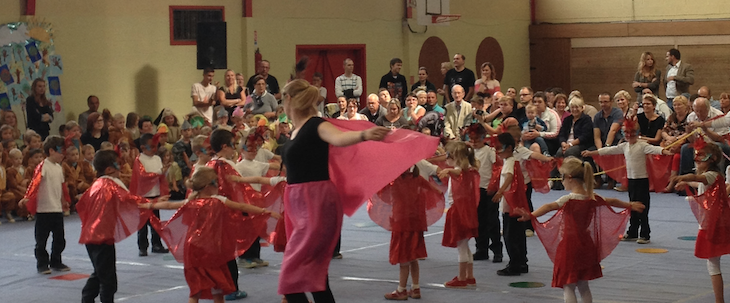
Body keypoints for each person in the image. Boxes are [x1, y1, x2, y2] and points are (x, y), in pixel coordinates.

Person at [279, 79, 437, 303]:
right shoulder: (295, 132)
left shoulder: (316, 125)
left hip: (316, 202)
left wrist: (363, 135)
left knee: (292, 277)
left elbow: (339, 138)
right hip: (296, 203)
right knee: (314, 276)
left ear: (289, 99)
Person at [515, 157, 645, 303]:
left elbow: (549, 207)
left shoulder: (569, 199)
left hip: (570, 246)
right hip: (587, 244)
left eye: (562, 177)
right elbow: (612, 201)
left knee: (568, 286)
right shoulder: (592, 197)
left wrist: (531, 215)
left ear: (569, 178)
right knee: (583, 285)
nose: (561, 180)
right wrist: (629, 205)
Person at [142, 167, 281, 303]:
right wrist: (264, 211)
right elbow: (242, 207)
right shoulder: (218, 200)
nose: (219, 185)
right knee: (218, 288)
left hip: (193, 249)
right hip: (211, 250)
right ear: (209, 186)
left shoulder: (191, 201)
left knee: (195, 290)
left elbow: (170, 206)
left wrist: (150, 205)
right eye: (216, 182)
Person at [78, 150, 160, 303]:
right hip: (102, 237)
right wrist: (153, 203)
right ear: (109, 169)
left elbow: (82, 204)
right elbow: (130, 199)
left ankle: (87, 299)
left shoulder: (96, 184)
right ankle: (90, 299)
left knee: (100, 272)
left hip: (91, 235)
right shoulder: (111, 183)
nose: (121, 167)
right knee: (108, 280)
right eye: (118, 164)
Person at [582, 117, 672, 244]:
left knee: (643, 208)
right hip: (632, 181)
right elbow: (609, 150)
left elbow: (654, 149)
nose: (629, 136)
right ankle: (633, 231)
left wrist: (664, 151)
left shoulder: (642, 145)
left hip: (642, 181)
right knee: (632, 206)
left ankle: (645, 233)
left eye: (631, 133)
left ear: (637, 133)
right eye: (626, 133)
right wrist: (593, 153)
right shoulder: (624, 146)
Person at [673, 142, 730, 303]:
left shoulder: (713, 175)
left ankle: (720, 300)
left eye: (701, 156)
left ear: (712, 159)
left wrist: (684, 177)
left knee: (712, 263)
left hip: (713, 224)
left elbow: (700, 178)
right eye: (695, 156)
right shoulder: (712, 176)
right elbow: (699, 182)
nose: (696, 159)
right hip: (711, 222)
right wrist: (686, 182)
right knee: (712, 263)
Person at [19, 135, 71, 274]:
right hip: (43, 210)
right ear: (52, 151)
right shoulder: (43, 166)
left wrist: (64, 201)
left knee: (59, 238)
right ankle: (42, 263)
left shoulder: (59, 168)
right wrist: (27, 197)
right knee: (41, 240)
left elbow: (61, 186)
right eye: (61, 151)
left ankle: (56, 260)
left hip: (56, 209)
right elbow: (35, 182)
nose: (63, 154)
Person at [439, 141, 480, 288]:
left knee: (461, 245)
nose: (446, 158)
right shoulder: (469, 169)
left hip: (459, 210)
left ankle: (462, 278)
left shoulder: (461, 170)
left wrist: (448, 171)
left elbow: (458, 171)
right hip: (465, 209)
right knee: (465, 245)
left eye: (448, 155)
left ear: (455, 156)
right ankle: (469, 276)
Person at [492, 132, 529, 276]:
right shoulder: (513, 161)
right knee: (518, 234)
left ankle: (514, 264)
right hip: (514, 204)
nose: (497, 151)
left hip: (510, 205)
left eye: (499, 148)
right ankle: (521, 262)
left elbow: (509, 177)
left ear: (507, 148)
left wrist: (500, 192)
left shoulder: (509, 162)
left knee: (510, 235)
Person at [131, 133, 169, 257]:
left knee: (155, 222)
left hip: (155, 194)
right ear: (142, 148)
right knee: (142, 223)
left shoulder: (157, 159)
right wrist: (159, 172)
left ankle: (156, 244)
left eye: (155, 146)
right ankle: (142, 247)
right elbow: (142, 176)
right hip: (143, 195)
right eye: (151, 147)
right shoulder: (139, 159)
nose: (154, 149)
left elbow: (160, 177)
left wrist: (163, 174)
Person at [467, 124, 501, 263]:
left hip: (488, 189)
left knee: (492, 221)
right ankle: (482, 249)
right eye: (471, 139)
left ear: (483, 138)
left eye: (476, 139)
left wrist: (493, 185)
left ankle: (497, 251)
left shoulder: (489, 151)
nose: (474, 142)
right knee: (478, 221)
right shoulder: (469, 152)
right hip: (474, 190)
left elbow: (497, 167)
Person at [662, 96, 691, 193]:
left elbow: (690, 133)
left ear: (685, 105)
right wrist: (668, 138)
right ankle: (658, 183)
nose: (676, 107)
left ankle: (672, 183)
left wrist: (676, 139)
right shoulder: (672, 117)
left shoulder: (690, 117)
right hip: (669, 142)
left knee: (676, 157)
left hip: (684, 143)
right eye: (674, 105)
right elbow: (664, 131)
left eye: (679, 104)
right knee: (658, 153)